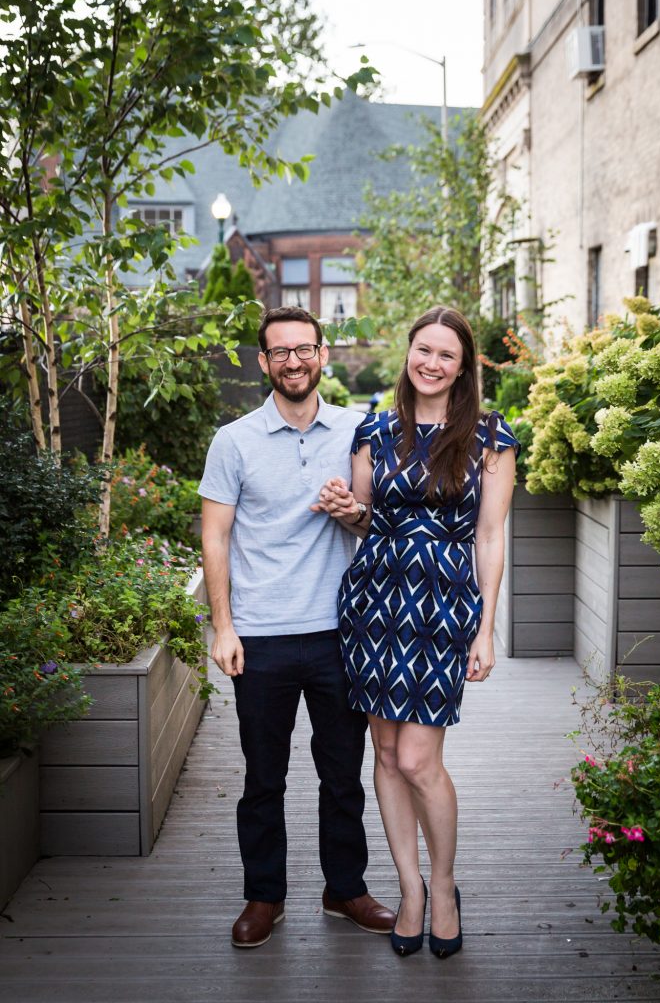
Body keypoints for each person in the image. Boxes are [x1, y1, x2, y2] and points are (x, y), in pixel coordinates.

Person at [314, 305, 519, 959]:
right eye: (423, 349)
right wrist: (350, 512)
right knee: (384, 758)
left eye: (446, 355)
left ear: (463, 370)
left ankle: (446, 886)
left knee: (418, 759)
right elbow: (365, 519)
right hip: (374, 603)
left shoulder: (490, 436)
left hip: (441, 608)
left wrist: (486, 629)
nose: (431, 362)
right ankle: (409, 890)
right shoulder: (375, 429)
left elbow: (489, 536)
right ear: (409, 353)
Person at [198, 305, 395, 949]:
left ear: (323, 356)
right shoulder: (234, 441)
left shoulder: (357, 431)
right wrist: (223, 629)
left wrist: (354, 513)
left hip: (341, 631)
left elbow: (376, 522)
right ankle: (264, 897)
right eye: (279, 351)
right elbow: (216, 539)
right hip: (261, 635)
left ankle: (345, 888)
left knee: (343, 771)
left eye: (303, 349)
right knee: (263, 776)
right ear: (263, 363)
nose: (293, 361)